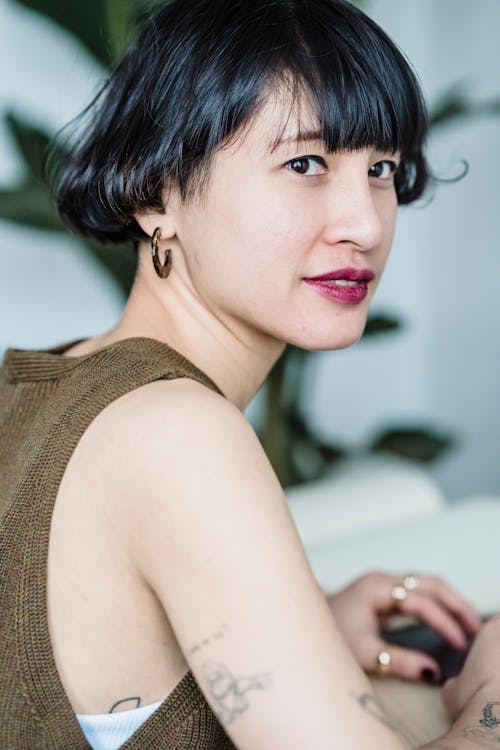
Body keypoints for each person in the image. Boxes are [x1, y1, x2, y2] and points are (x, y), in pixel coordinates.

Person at [1, 0, 499, 748]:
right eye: (305, 164)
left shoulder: (42, 382)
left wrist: (303, 619)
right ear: (156, 189)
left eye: (382, 168)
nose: (364, 222)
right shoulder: (175, 430)